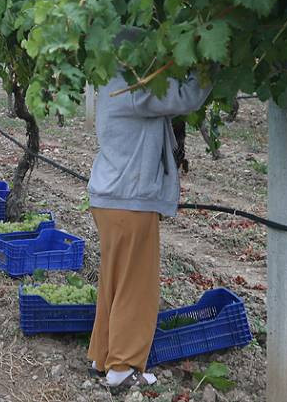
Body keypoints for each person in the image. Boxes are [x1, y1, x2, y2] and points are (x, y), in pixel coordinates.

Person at [86, 28, 213, 393]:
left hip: (111, 199)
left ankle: (104, 356)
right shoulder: (133, 88)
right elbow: (186, 96)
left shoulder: (112, 81)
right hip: (128, 201)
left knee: (115, 282)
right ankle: (123, 367)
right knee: (136, 287)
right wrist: (211, 62)